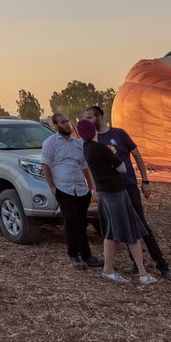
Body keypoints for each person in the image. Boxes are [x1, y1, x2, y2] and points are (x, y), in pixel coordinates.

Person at [85, 105, 171, 282]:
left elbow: (137, 155)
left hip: (128, 185)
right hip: (111, 190)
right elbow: (89, 167)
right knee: (121, 227)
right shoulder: (92, 141)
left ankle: (162, 265)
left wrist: (145, 180)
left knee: (141, 226)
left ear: (100, 117)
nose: (87, 122)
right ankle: (136, 265)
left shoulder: (119, 134)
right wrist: (94, 188)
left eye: (89, 118)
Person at [78, 119, 157, 285]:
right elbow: (122, 168)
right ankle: (120, 271)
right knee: (126, 231)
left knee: (114, 232)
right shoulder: (100, 148)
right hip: (115, 193)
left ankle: (133, 271)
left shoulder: (86, 147)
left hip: (106, 192)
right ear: (93, 131)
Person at [40, 113, 101, 269]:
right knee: (71, 221)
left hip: (81, 190)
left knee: (82, 222)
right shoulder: (50, 143)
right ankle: (73, 255)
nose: (67, 124)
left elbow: (84, 166)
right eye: (62, 122)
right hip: (63, 188)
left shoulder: (78, 143)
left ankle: (87, 255)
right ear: (55, 126)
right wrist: (52, 187)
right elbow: (45, 166)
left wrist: (91, 187)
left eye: (67, 121)